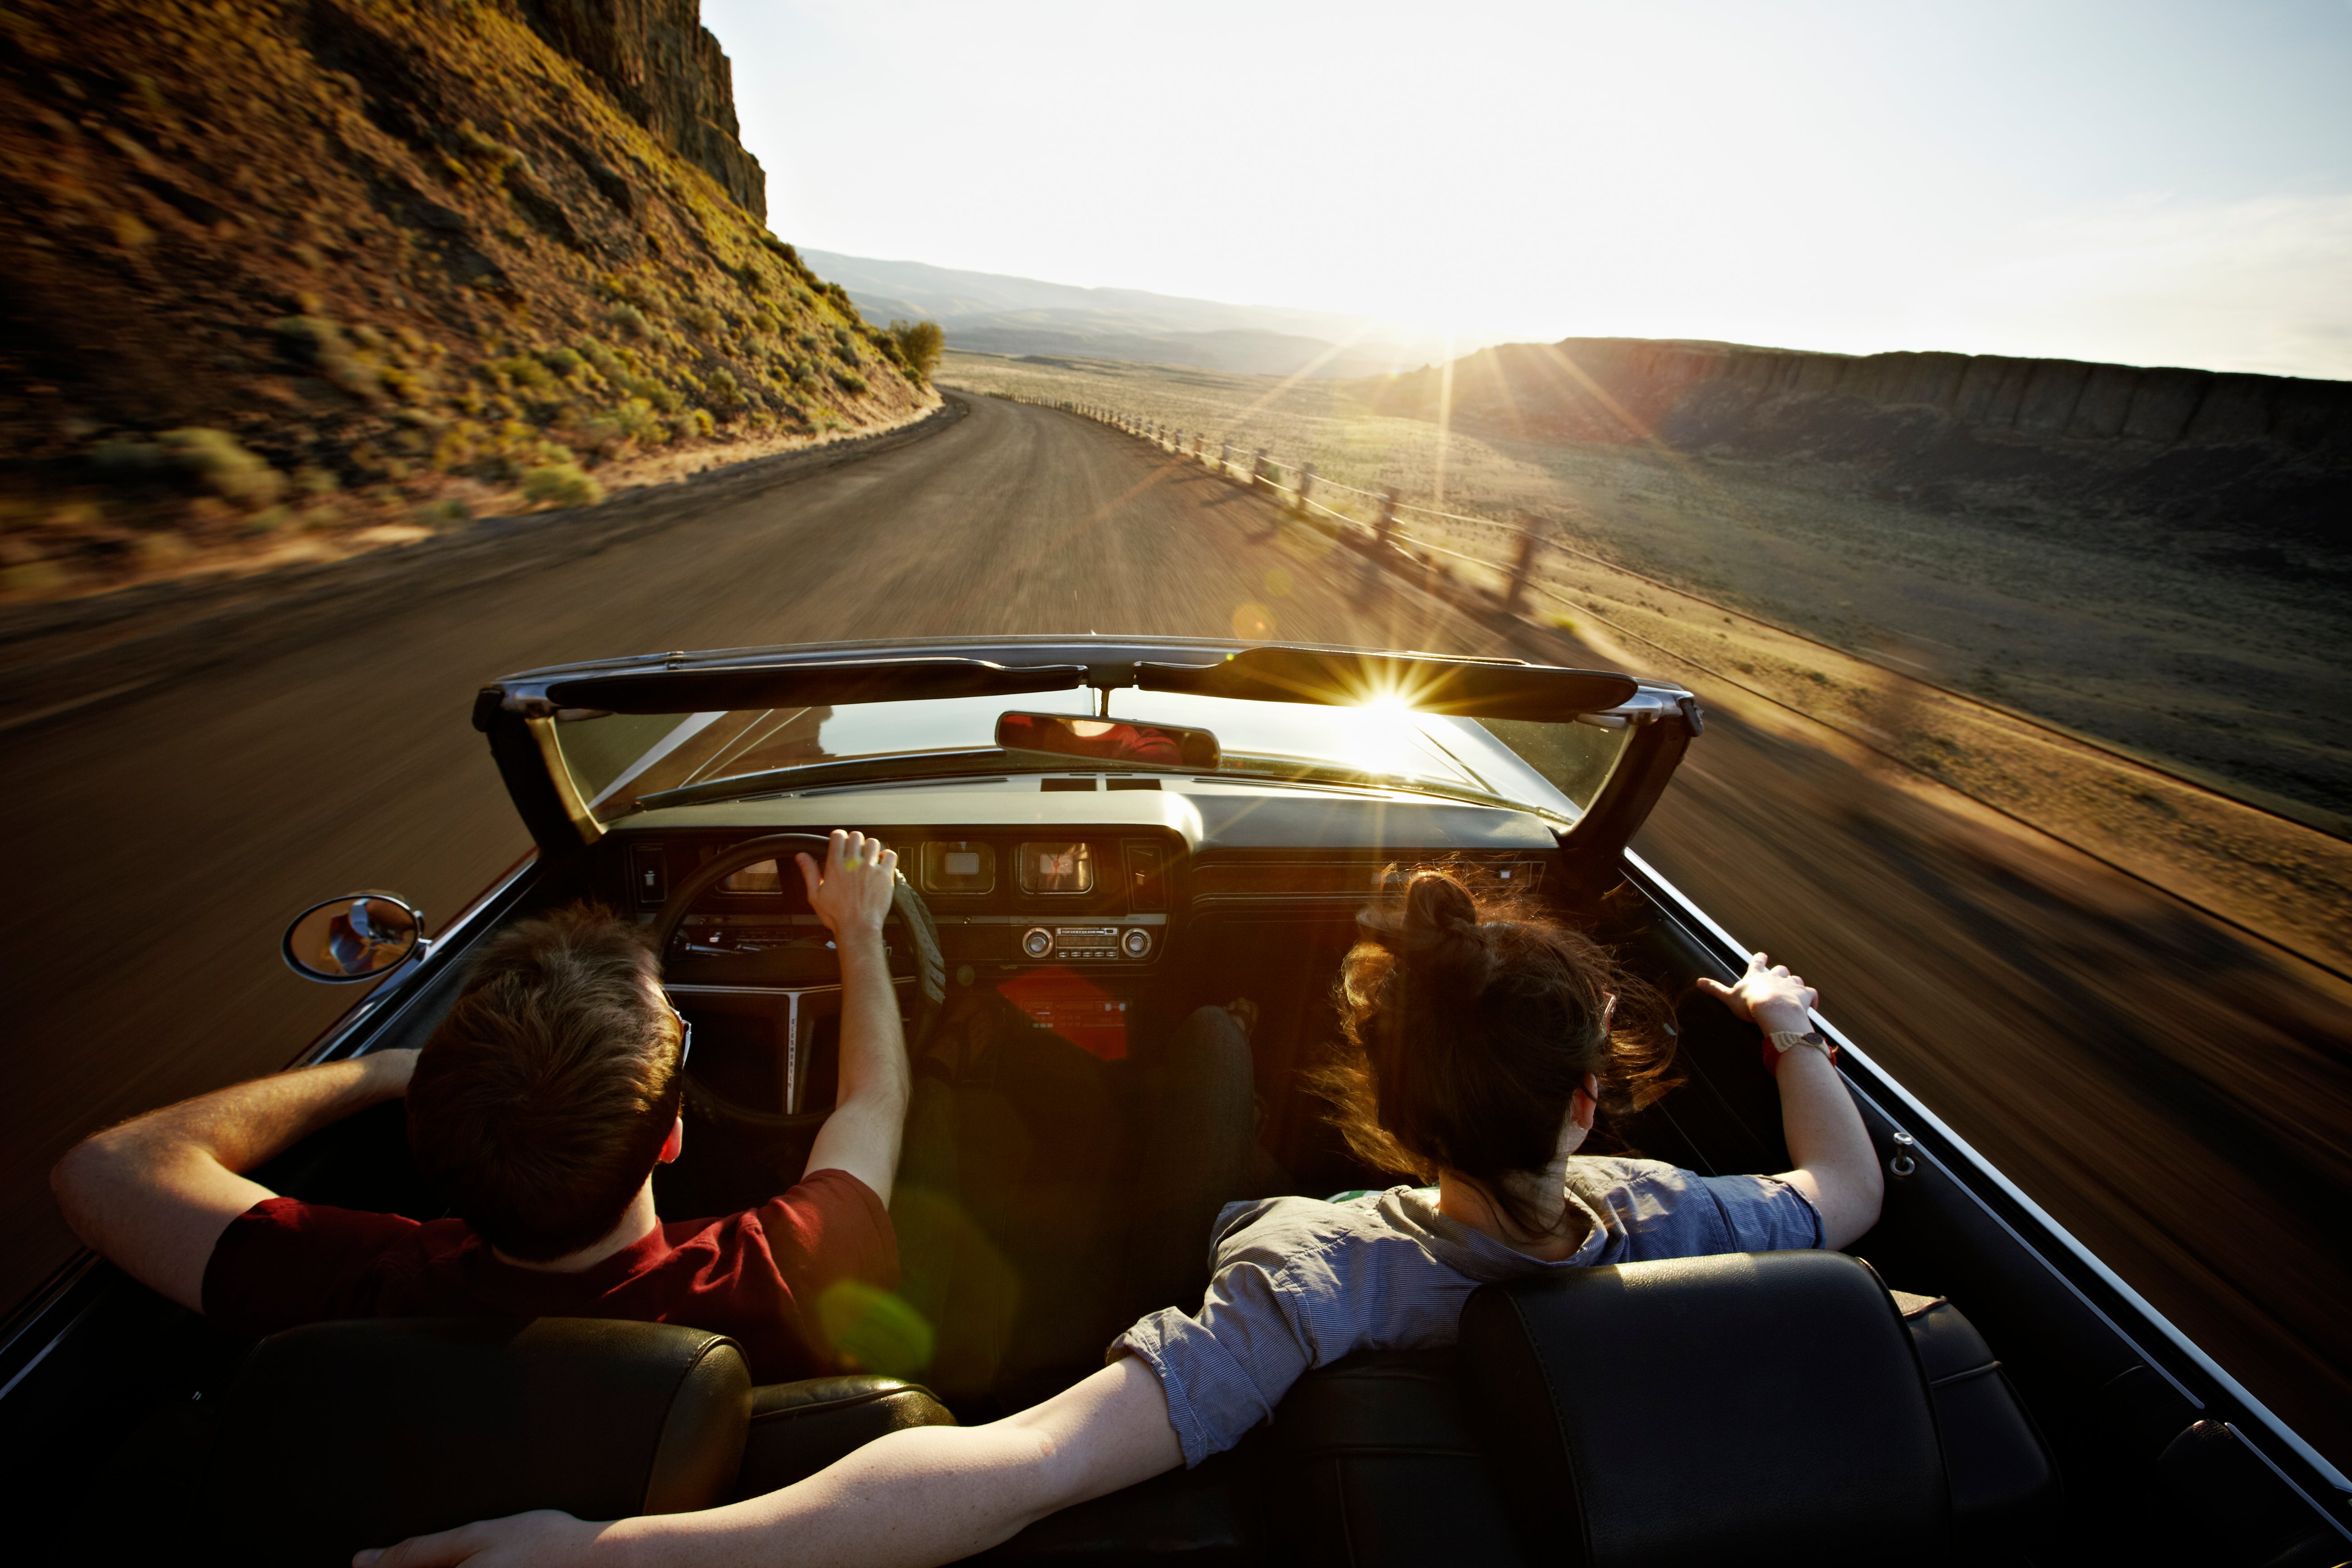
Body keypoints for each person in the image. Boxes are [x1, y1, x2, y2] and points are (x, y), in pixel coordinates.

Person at [355, 868, 1886, 1568]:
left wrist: (613, 1554)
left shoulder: (1312, 1271)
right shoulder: (1681, 1214)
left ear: (1385, 1105)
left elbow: (1013, 1464)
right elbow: (1849, 1195)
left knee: (1202, 1051)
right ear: (1585, 1102)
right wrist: (1790, 1032)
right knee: (1200, 1041)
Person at [51, 830, 912, 1385]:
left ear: (431, 1134)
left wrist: (384, 1070)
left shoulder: (363, 1289)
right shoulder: (786, 1270)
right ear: (674, 1138)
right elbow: (875, 1100)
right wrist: (859, 933)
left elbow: (103, 1169)